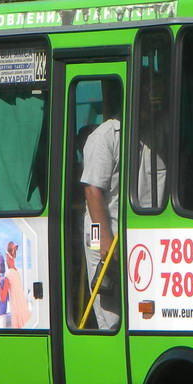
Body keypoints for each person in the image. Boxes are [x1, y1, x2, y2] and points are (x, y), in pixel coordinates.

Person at [80, 117, 121, 331]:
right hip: (101, 231)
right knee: (111, 314)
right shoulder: (104, 137)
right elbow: (92, 191)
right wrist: (105, 240)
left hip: (130, 236)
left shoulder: (154, 130)